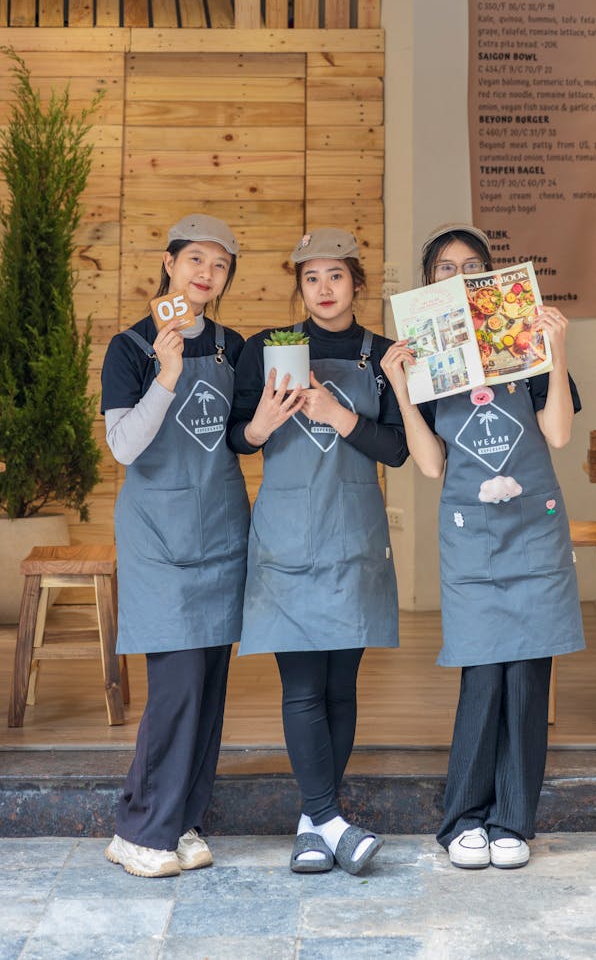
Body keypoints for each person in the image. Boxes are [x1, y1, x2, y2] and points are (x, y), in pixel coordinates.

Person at [382, 223, 584, 871]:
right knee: (482, 675)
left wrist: (555, 349)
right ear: (429, 280)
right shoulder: (429, 362)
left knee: (526, 677)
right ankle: (462, 819)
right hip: (472, 537)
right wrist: (400, 390)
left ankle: (512, 823)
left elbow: (555, 435)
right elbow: (431, 466)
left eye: (471, 265)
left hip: (533, 533)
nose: (459, 275)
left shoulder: (524, 348)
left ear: (492, 276)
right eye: (444, 267)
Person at [228, 227, 407, 877]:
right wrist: (264, 422)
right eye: (311, 278)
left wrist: (339, 416)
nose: (323, 289)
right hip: (287, 536)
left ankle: (313, 825)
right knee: (302, 684)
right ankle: (327, 817)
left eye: (336, 276)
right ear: (298, 286)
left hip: (353, 536)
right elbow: (238, 441)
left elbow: (397, 450)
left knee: (340, 687)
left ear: (357, 284)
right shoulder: (266, 352)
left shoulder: (383, 357)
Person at [101, 214, 249, 878]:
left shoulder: (230, 346)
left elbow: (240, 436)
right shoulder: (130, 347)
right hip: (158, 535)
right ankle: (139, 828)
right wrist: (164, 374)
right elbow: (124, 446)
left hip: (218, 526)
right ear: (169, 263)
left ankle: (181, 817)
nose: (204, 273)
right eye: (195, 259)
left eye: (218, 266)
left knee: (209, 686)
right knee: (176, 684)